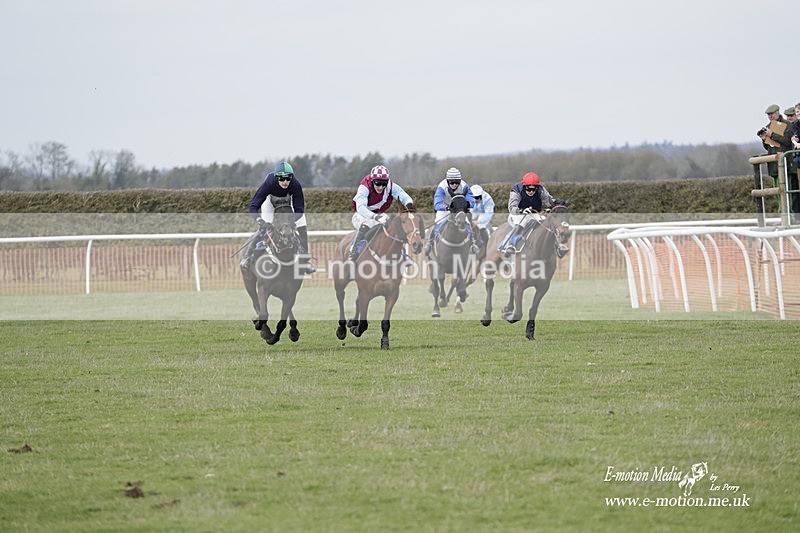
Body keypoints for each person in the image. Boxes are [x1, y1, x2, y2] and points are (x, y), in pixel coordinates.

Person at [240, 161, 315, 274]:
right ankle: (248, 256)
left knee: (302, 227)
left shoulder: (295, 184)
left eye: (288, 179)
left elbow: (299, 209)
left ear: (291, 177)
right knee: (265, 229)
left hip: (288, 206)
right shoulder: (269, 183)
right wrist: (261, 221)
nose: (285, 182)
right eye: (281, 179)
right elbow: (253, 207)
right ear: (276, 178)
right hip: (271, 204)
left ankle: (304, 262)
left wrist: (290, 222)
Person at [347, 164, 415, 263]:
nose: (381, 187)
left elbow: (403, 195)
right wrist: (375, 216)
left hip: (379, 214)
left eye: (384, 183)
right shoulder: (364, 187)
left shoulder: (390, 185)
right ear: (372, 181)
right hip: (362, 214)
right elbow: (360, 207)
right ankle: (353, 251)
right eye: (378, 183)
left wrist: (409, 206)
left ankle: (403, 254)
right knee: (367, 224)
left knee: (395, 225)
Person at [497, 172, 569, 257]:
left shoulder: (541, 190)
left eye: (533, 189)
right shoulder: (516, 190)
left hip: (534, 214)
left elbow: (549, 201)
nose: (531, 191)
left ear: (537, 187)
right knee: (522, 223)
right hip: (518, 215)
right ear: (524, 186)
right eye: (528, 189)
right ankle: (511, 245)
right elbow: (511, 207)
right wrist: (521, 210)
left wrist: (556, 203)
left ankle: (557, 246)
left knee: (547, 224)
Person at [423, 167, 480, 256]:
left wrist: (466, 205)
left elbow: (471, 200)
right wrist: (447, 207)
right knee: (438, 223)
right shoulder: (442, 187)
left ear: (460, 181)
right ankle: (429, 243)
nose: (454, 184)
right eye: (451, 182)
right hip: (445, 209)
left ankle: (472, 244)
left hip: (458, 210)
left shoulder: (464, 186)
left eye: (457, 182)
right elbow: (437, 204)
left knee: (467, 223)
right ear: (447, 181)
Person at [758, 104, 793, 181]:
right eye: (768, 114)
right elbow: (768, 148)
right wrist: (764, 140)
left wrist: (772, 135)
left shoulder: (787, 125)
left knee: (788, 188)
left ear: (777, 113)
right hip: (774, 165)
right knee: (777, 189)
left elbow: (788, 142)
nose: (770, 116)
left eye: (772, 114)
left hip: (786, 164)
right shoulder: (768, 127)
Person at [469, 184, 495, 249]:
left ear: (481, 196)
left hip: (484, 212)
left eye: (477, 198)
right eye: (473, 198)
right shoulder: (468, 197)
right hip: (474, 211)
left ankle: (487, 246)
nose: (475, 200)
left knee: (481, 225)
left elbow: (488, 215)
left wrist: (477, 222)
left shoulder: (488, 199)